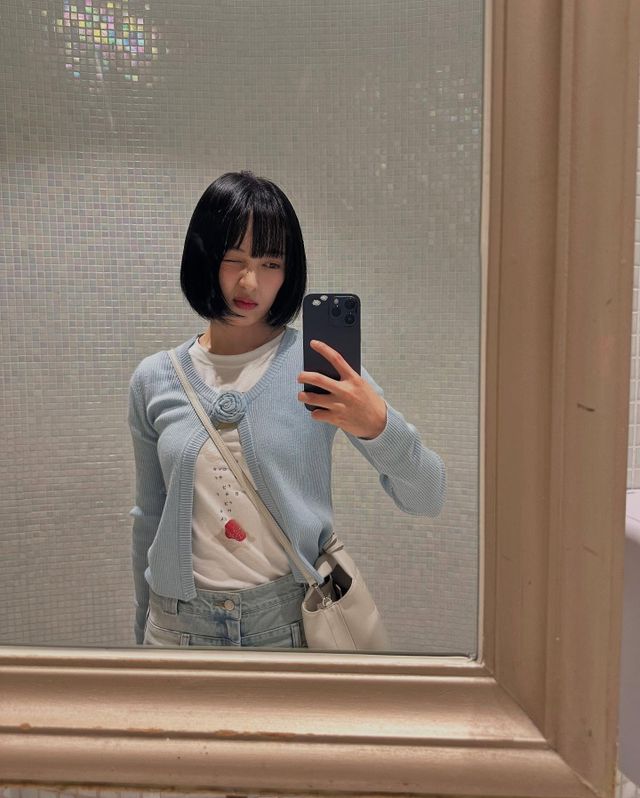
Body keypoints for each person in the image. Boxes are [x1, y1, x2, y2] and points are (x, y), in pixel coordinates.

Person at [127, 170, 446, 649]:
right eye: (233, 259)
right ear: (203, 258)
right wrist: (140, 638)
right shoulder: (155, 378)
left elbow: (428, 495)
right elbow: (149, 515)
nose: (250, 281)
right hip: (176, 630)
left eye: (270, 263)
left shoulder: (318, 367)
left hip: (289, 627)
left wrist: (379, 427)